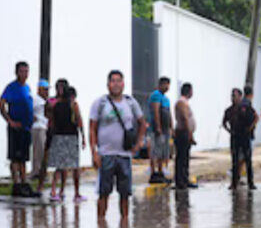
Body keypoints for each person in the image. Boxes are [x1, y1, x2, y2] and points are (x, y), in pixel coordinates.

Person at [89, 70, 147, 219]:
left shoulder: (130, 102)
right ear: (108, 84)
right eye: (113, 81)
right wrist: (94, 153)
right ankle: (101, 225)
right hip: (105, 155)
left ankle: (124, 226)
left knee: (125, 194)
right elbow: (92, 128)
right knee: (103, 193)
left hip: (124, 155)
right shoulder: (100, 103)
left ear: (123, 84)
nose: (116, 84)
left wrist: (139, 143)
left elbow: (142, 123)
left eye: (118, 81)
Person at [1, 61, 37, 197]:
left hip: (26, 128)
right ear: (17, 72)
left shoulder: (27, 87)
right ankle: (16, 184)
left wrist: (32, 117)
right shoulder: (11, 88)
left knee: (23, 158)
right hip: (15, 128)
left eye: (26, 71)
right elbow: (2, 104)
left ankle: (24, 184)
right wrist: (10, 121)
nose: (25, 74)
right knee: (15, 158)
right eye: (22, 71)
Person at [49, 82, 86, 201]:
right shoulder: (73, 105)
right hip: (71, 136)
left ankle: (54, 191)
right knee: (75, 166)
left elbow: (52, 122)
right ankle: (76, 193)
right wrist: (83, 137)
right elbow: (79, 121)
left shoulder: (56, 106)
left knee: (59, 166)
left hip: (58, 136)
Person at [230, 85, 258, 190]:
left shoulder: (243, 106)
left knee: (243, 159)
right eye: (232, 96)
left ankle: (244, 182)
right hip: (239, 136)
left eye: (235, 96)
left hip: (243, 136)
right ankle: (238, 182)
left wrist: (250, 128)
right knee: (240, 160)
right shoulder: (236, 108)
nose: (233, 98)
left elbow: (255, 117)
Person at [147, 77, 173, 184]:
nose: (167, 87)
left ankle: (161, 172)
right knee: (155, 151)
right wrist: (158, 127)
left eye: (168, 85)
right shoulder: (156, 95)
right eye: (165, 84)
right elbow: (156, 111)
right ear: (161, 84)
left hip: (166, 129)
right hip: (157, 129)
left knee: (163, 152)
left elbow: (169, 113)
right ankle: (154, 172)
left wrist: (171, 127)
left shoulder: (166, 98)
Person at [174, 82, 197, 190]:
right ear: (189, 91)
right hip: (182, 132)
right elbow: (184, 118)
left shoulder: (184, 102)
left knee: (185, 158)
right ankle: (181, 181)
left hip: (185, 132)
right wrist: (189, 133)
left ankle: (185, 179)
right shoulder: (181, 102)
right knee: (182, 158)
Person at [30, 79, 50, 181]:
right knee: (39, 151)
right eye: (44, 89)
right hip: (38, 127)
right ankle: (36, 172)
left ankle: (42, 172)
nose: (46, 92)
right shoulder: (35, 99)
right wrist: (31, 117)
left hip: (44, 126)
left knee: (43, 151)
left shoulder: (45, 100)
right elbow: (28, 109)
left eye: (47, 90)